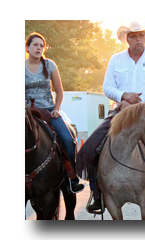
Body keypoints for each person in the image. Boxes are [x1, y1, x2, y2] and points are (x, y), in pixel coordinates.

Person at [78, 21, 145, 211]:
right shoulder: (116, 59)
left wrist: (133, 103)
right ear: (127, 38)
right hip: (120, 111)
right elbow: (107, 87)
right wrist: (123, 96)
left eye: (141, 35)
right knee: (92, 147)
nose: (138, 39)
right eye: (134, 36)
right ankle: (97, 194)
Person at [25, 32, 84, 193]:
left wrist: (57, 109)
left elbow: (59, 91)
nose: (39, 48)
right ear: (27, 47)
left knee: (67, 138)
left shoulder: (50, 65)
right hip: (26, 113)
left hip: (49, 111)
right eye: (35, 45)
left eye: (41, 46)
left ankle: (71, 178)